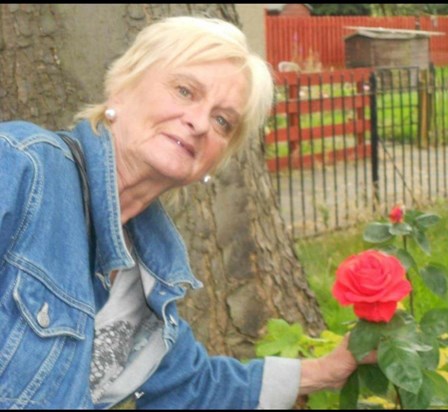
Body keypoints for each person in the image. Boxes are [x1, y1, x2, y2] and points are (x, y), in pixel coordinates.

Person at [0, 16, 374, 409]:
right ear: (122, 86)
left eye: (222, 121)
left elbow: (193, 387)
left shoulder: (148, 270)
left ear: (217, 160)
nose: (198, 123)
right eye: (184, 91)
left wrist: (328, 370)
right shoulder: (22, 169)